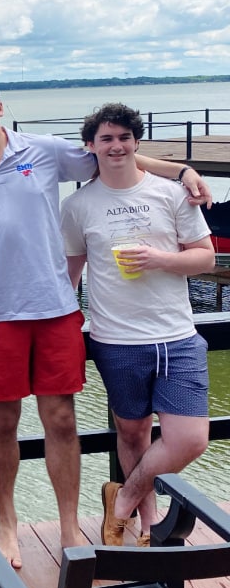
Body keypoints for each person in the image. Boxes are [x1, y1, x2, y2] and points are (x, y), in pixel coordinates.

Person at [0, 71, 211, 569]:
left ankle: (70, 522)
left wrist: (180, 171)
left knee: (61, 419)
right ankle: (7, 525)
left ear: (0, 105)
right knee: (2, 422)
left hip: (55, 310)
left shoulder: (43, 150)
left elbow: (113, 153)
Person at [60, 103, 213, 545]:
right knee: (132, 431)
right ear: (91, 146)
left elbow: (204, 256)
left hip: (178, 335)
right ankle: (148, 526)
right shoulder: (77, 206)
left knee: (189, 439)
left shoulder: (170, 194)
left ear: (136, 142)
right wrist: (64, 327)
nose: (116, 145)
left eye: (124, 137)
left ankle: (122, 499)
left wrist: (161, 259)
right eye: (106, 138)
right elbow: (70, 276)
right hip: (116, 339)